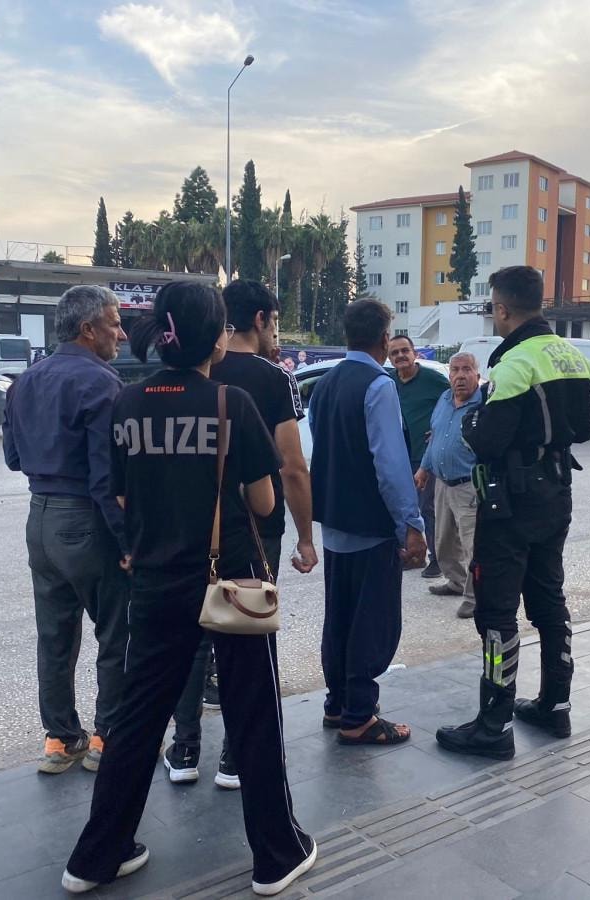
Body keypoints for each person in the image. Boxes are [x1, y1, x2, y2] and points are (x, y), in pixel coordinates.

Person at [62, 282, 316, 896]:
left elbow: (122, 497)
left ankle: (95, 857)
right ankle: (276, 856)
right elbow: (263, 502)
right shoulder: (231, 403)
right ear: (215, 338)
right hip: (229, 581)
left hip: (155, 583)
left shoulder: (127, 402)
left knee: (136, 720)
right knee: (253, 713)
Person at [161, 280, 318, 790]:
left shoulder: (193, 370)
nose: (276, 333)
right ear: (261, 318)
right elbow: (292, 466)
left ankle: (185, 749)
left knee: (192, 641)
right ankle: (235, 756)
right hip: (254, 530)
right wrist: (305, 537)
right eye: (275, 321)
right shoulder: (275, 378)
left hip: (190, 528)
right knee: (248, 635)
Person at [436, 267, 590, 761]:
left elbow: (486, 440)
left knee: (496, 612)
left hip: (509, 504)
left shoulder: (514, 363)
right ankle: (555, 705)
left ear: (502, 309)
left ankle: (494, 724)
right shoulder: (572, 355)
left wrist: (475, 420)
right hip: (556, 494)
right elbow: (584, 429)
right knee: (549, 600)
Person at [2, 285, 129, 775]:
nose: (121, 334)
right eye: (115, 323)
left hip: (39, 520)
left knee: (54, 635)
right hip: (86, 520)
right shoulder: (102, 384)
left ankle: (60, 739)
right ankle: (107, 738)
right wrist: (127, 541)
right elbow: (106, 478)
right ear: (88, 329)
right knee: (115, 633)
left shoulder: (25, 381)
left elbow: (13, 458)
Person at [309, 299, 427, 746]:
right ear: (384, 338)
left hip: (335, 521)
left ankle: (338, 703)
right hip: (371, 524)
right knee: (372, 622)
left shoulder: (326, 383)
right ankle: (359, 715)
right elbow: (391, 466)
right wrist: (411, 525)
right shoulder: (378, 385)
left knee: (338, 617)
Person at [415, 352, 483, 618]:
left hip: (469, 486)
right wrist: (424, 468)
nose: (460, 376)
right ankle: (456, 581)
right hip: (442, 483)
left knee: (473, 547)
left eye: (467, 369)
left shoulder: (483, 404)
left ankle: (475, 598)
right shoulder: (444, 399)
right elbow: (435, 436)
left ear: (477, 375)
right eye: (455, 370)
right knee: (443, 542)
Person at [389, 335, 451, 579]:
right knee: (402, 507)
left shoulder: (433, 380)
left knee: (427, 508)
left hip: (426, 456)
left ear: (415, 353)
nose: (400, 356)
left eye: (405, 350)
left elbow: (454, 403)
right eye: (395, 352)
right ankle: (413, 555)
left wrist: (439, 430)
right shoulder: (388, 381)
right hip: (398, 456)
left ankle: (437, 559)